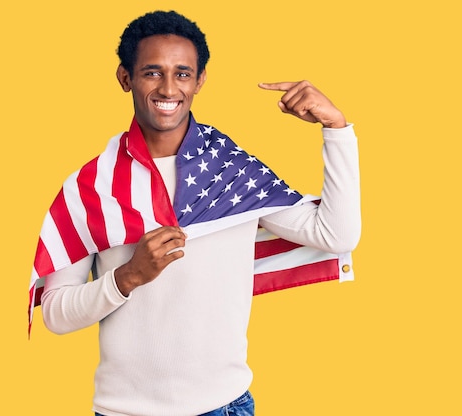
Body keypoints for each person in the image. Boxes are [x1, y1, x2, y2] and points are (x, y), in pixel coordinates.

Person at [31, 10, 361, 416]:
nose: (169, 87)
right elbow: (56, 315)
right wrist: (127, 277)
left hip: (225, 406)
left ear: (200, 80)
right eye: (152, 72)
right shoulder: (90, 187)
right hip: (124, 411)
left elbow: (337, 235)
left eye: (182, 73)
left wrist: (336, 129)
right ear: (125, 78)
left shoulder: (231, 172)